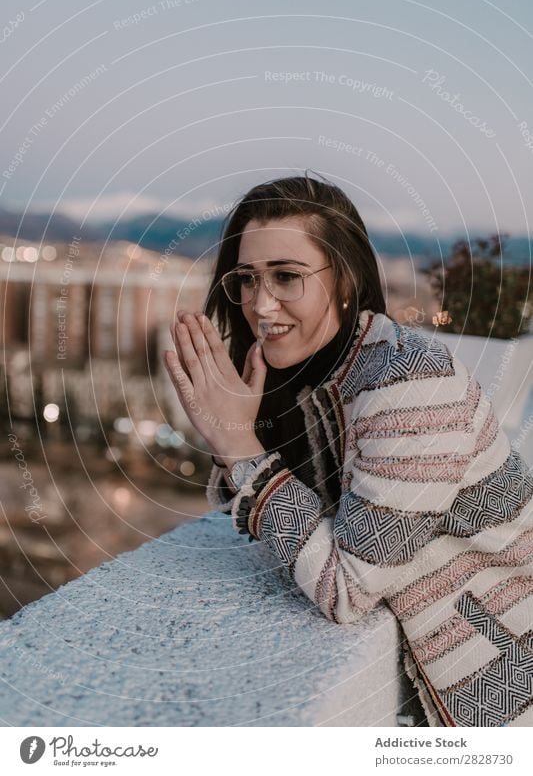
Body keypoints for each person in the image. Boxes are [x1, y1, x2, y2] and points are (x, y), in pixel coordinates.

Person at [163, 173, 533, 728]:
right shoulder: (321, 379)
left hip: (501, 689)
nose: (261, 306)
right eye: (247, 279)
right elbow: (264, 518)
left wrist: (238, 444)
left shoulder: (408, 381)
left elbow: (347, 590)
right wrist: (237, 432)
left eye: (287, 277)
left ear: (344, 278)